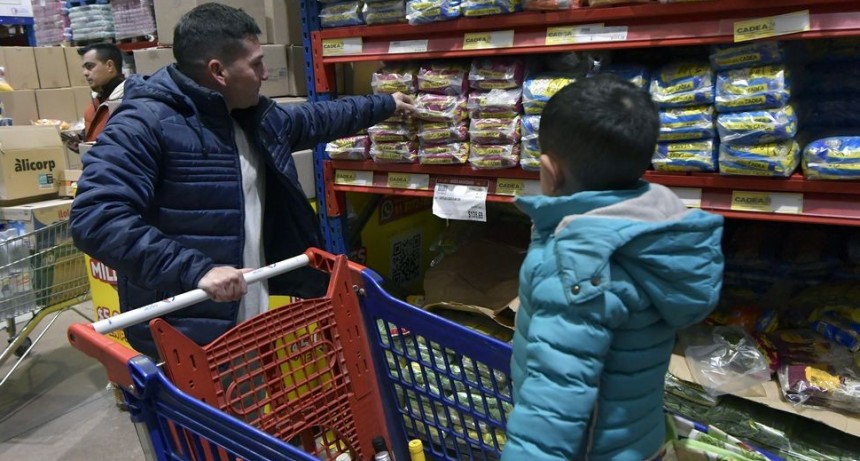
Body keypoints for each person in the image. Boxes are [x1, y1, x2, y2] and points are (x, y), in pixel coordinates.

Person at [70, 3, 414, 358]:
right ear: (218, 71)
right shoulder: (145, 124)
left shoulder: (251, 117)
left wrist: (386, 103)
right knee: (204, 415)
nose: (265, 74)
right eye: (255, 64)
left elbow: (317, 119)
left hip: (245, 316)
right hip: (186, 334)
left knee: (245, 408)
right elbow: (96, 217)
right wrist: (196, 270)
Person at [501, 74, 725, 461]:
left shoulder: (576, 262)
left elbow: (554, 401)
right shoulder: (656, 227)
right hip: (640, 439)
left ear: (549, 172)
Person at [78, 43, 126, 142]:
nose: (85, 73)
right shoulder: (96, 101)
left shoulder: (127, 101)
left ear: (109, 66)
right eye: (84, 68)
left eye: (90, 66)